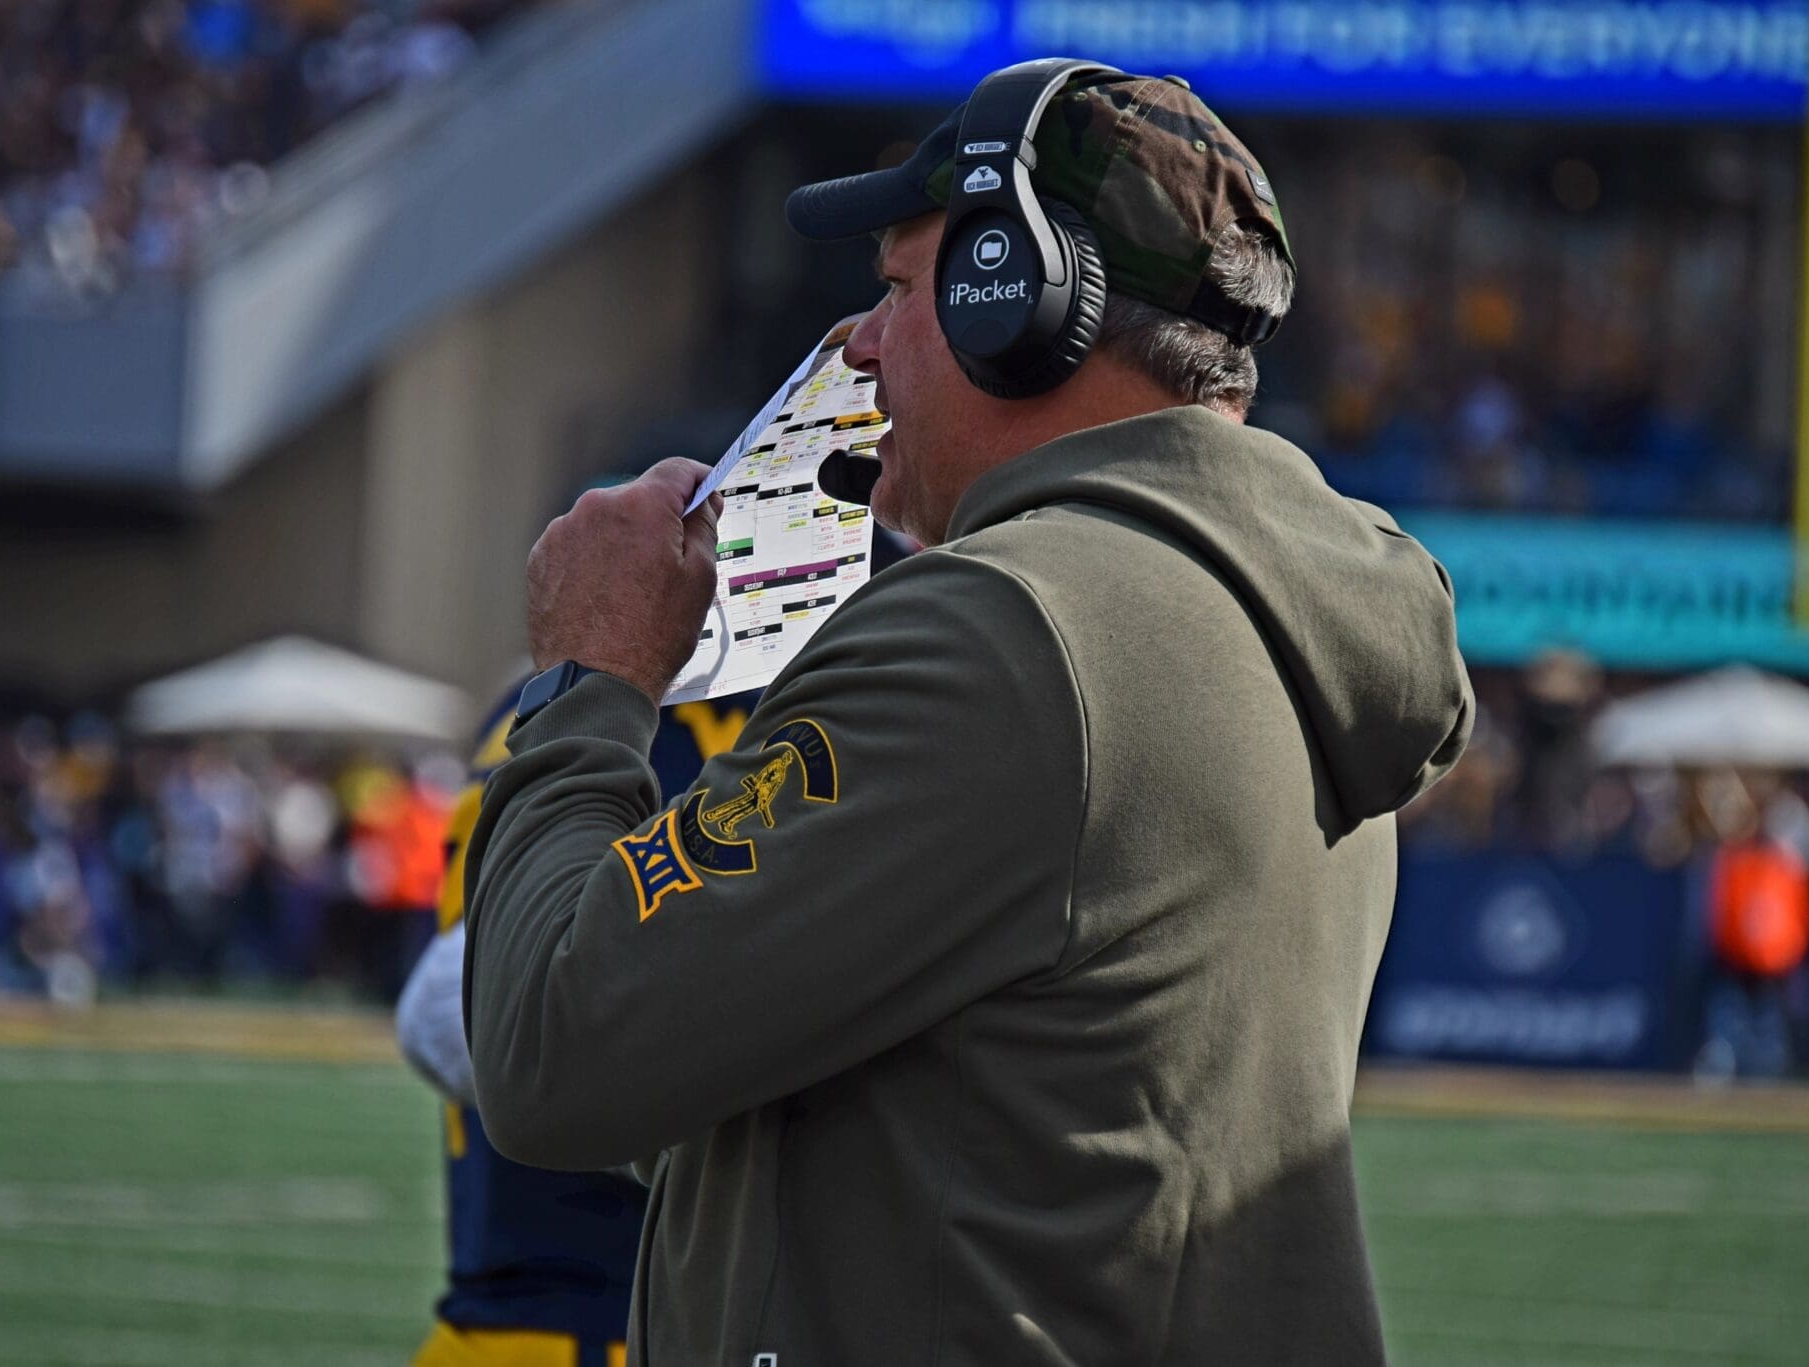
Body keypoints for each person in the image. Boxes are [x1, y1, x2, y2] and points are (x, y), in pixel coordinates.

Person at [460, 60, 1473, 1364]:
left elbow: (552, 1051)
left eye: (895, 288)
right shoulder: (1286, 624)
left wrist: (586, 682)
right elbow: (958, 1126)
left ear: (1021, 297)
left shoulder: (998, 633)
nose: (858, 346)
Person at [399, 684, 765, 1366]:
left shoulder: (558, 695)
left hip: (556, 1309)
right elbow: (450, 1010)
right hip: (586, 1318)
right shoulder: (642, 708)